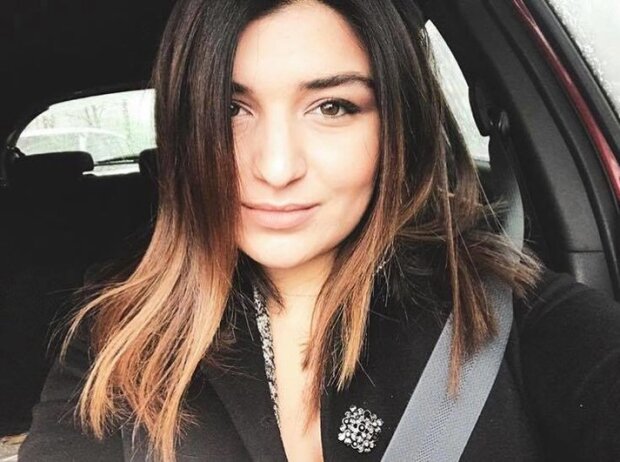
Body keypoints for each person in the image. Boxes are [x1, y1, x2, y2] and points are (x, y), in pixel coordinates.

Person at [19, 0, 620, 461]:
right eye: (230, 110)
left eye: (332, 107)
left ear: (396, 129)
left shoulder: (509, 317)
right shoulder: (121, 339)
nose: (277, 168)